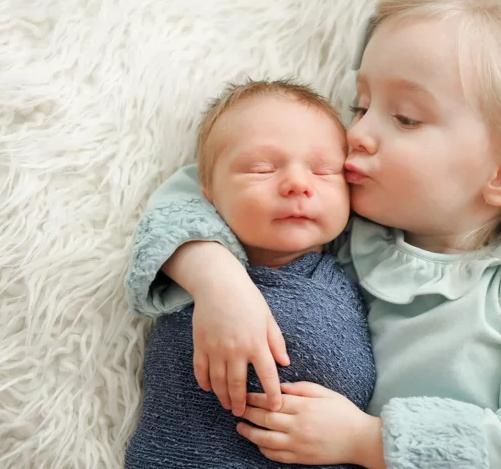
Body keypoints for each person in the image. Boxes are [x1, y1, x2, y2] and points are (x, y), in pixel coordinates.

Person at [125, 0, 501, 469]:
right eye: (361, 105)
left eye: (405, 118)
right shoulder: (349, 213)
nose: (356, 133)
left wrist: (366, 439)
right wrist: (220, 284)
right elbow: (198, 187)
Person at [125, 80, 376, 469]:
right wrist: (217, 287)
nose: (298, 184)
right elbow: (161, 229)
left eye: (324, 170)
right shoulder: (187, 261)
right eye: (262, 169)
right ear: (208, 192)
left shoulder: (366, 261)